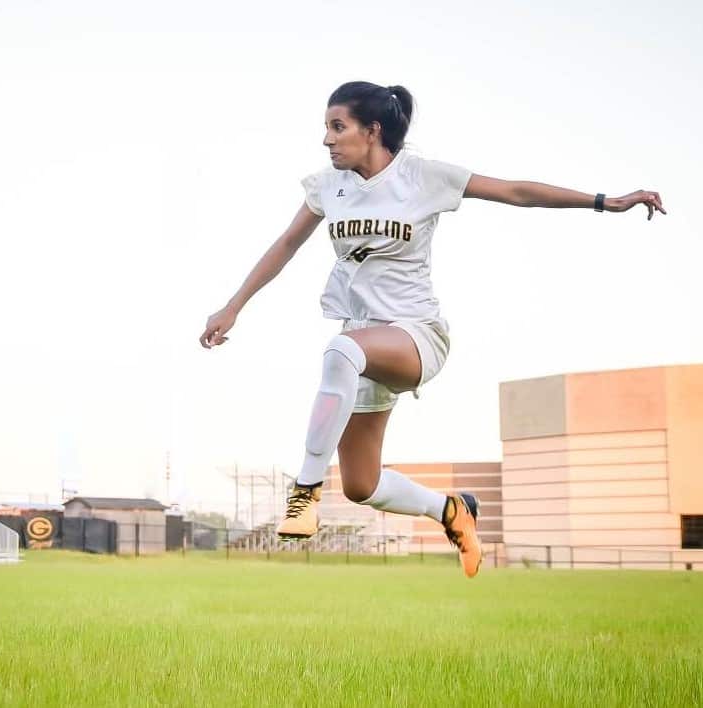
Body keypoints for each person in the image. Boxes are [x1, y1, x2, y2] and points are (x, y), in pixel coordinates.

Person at [199, 81, 665, 578]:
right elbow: (286, 245)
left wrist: (602, 201)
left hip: (415, 336)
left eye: (338, 127)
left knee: (339, 350)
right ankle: (451, 510)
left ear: (372, 130)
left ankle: (304, 493)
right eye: (326, 128)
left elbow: (514, 192)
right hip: (362, 347)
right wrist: (233, 306)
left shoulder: (421, 177)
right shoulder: (327, 187)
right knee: (361, 485)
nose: (327, 139)